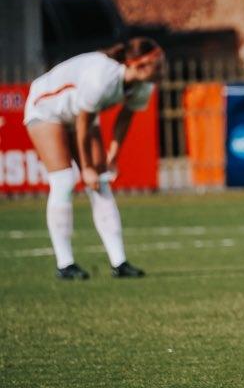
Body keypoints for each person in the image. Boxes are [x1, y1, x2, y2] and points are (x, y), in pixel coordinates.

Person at [24, 37, 164, 280]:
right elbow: (83, 122)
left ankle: (119, 262)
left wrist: (113, 155)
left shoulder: (144, 85)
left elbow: (125, 118)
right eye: (158, 65)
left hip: (79, 116)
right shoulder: (103, 78)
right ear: (138, 65)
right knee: (65, 179)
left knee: (101, 180)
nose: (163, 71)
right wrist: (86, 167)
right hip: (46, 108)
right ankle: (65, 264)